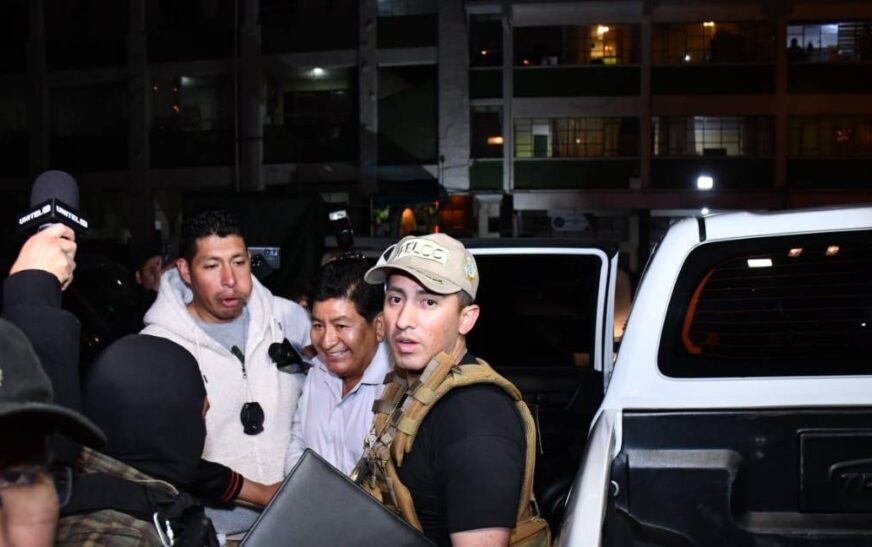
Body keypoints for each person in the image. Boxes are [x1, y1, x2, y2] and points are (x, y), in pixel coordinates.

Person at [360, 233, 549, 547]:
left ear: (466, 319)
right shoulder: (412, 387)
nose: (404, 320)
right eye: (395, 299)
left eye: (428, 302)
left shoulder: (474, 420)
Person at [141, 209, 309, 533]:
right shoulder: (159, 346)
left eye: (238, 262)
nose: (230, 280)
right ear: (185, 271)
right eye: (211, 266)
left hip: (297, 526)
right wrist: (261, 494)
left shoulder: (290, 320)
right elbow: (163, 457)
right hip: (215, 535)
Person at [284, 256, 390, 475]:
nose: (326, 341)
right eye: (318, 325)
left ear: (379, 326)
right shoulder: (318, 371)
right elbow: (299, 441)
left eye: (341, 325)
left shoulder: (398, 388)